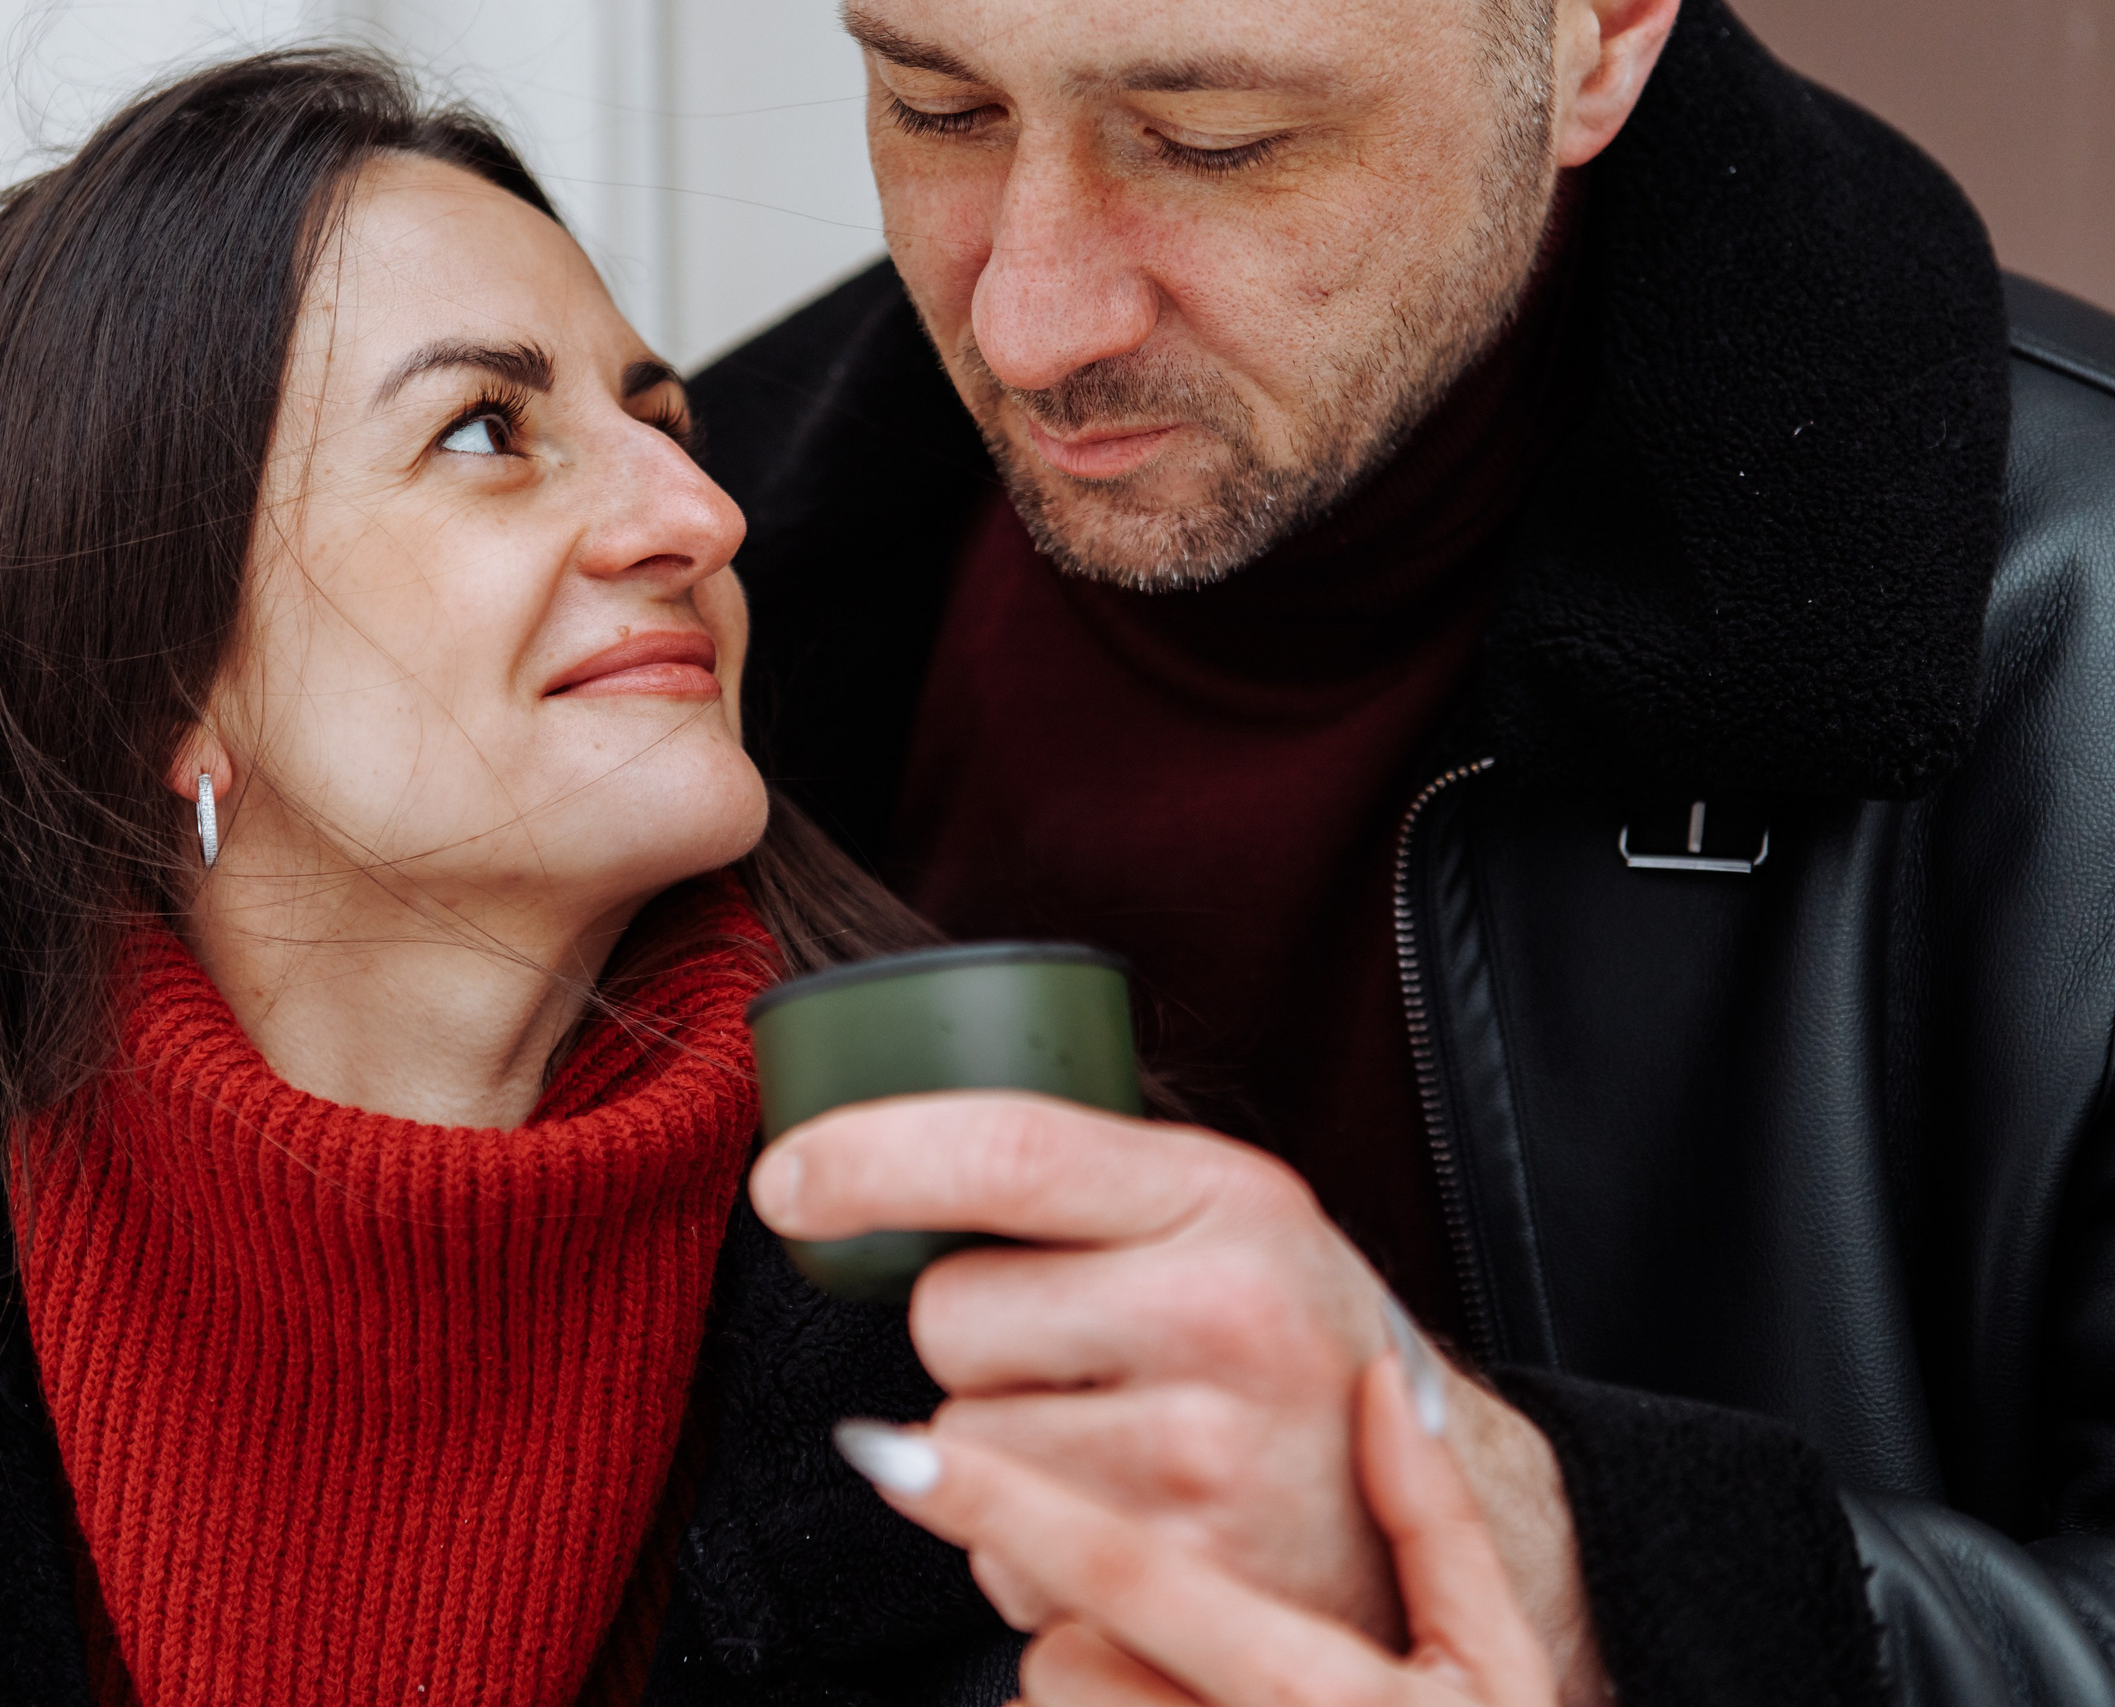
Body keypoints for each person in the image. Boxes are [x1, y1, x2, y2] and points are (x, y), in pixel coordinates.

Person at [0, 50, 1222, 1707]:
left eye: (663, 424)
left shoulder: (1041, 1298)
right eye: (488, 429)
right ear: (158, 683)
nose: (700, 514)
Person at [690, 0, 2115, 1699]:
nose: (1028, 322)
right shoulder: (710, 559)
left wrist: (1580, 1576)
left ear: (1598, 38)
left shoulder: (2082, 624)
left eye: (1215, 140)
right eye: (937, 107)